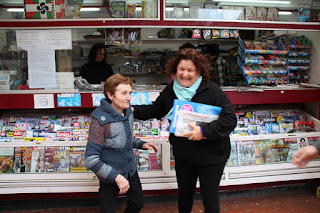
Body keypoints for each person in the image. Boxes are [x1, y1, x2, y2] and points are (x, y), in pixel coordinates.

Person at [133, 48, 237, 213]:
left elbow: (230, 119)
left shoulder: (212, 90)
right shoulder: (171, 90)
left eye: (190, 70)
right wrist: (130, 110)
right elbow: (154, 110)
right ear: (175, 70)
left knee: (210, 200)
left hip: (211, 156)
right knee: (184, 196)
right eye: (182, 69)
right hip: (184, 156)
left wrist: (203, 131)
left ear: (199, 71)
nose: (185, 74)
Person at [84, 74, 158, 213]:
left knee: (137, 203)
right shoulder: (100, 121)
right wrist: (116, 177)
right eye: (124, 93)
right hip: (109, 176)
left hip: (130, 170)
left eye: (130, 93)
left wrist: (142, 144)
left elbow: (125, 140)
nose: (129, 98)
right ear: (110, 95)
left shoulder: (128, 112)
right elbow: (90, 160)